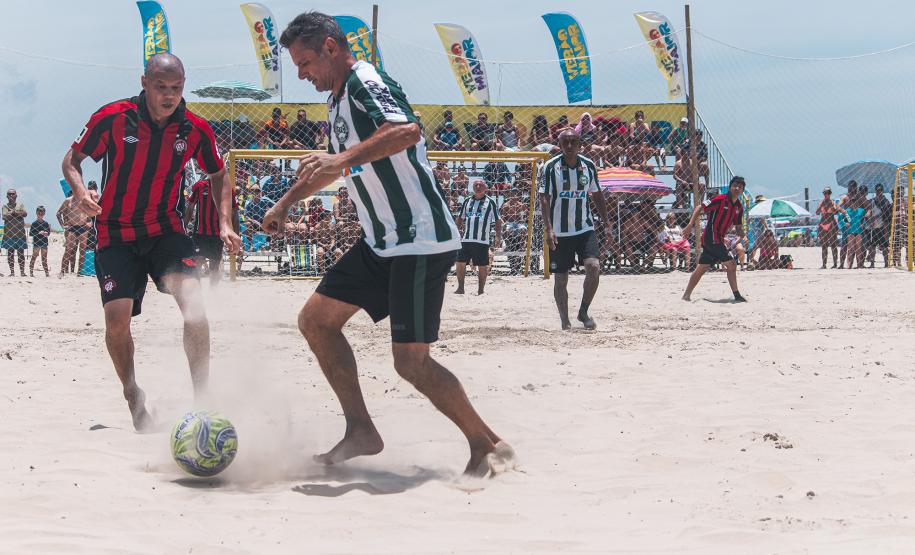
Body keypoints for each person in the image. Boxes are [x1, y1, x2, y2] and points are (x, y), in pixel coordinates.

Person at [263, 12, 512, 476]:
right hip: (381, 242)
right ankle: (361, 430)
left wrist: (338, 156)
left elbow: (405, 131)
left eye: (305, 62)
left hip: (419, 239)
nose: (300, 74)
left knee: (411, 363)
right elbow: (337, 167)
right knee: (316, 322)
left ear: (332, 48)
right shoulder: (337, 102)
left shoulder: (364, 80)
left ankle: (485, 442)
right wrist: (285, 203)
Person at [61, 53, 241, 431]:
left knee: (194, 306)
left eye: (176, 88)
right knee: (116, 322)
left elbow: (219, 174)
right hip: (115, 233)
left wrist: (225, 222)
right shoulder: (112, 117)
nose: (169, 96)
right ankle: (132, 394)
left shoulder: (194, 129)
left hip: (165, 230)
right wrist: (80, 193)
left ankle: (202, 401)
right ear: (145, 83)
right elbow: (72, 161)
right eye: (162, 87)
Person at [539, 129, 610, 330]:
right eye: (565, 142)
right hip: (559, 232)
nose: (569, 146)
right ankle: (565, 320)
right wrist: (549, 229)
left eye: (573, 142)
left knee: (594, 267)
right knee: (561, 278)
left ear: (580, 145)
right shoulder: (550, 167)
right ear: (559, 145)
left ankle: (583, 311)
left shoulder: (588, 166)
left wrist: (607, 223)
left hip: (584, 228)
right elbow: (544, 197)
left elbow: (597, 195)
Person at [681, 176, 748, 302]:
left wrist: (743, 236)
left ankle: (686, 296)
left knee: (701, 268)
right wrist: (690, 225)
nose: (737, 188)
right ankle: (737, 295)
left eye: (740, 186)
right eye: (735, 185)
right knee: (732, 264)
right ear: (730, 187)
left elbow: (738, 226)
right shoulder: (720, 199)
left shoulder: (739, 207)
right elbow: (699, 208)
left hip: (717, 239)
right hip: (711, 238)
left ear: (742, 190)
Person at [184, 177, 238, 284]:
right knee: (197, 261)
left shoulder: (226, 188)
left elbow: (234, 212)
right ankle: (196, 290)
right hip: (200, 233)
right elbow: (190, 207)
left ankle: (213, 293)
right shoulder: (199, 186)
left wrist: (235, 235)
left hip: (217, 234)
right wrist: (183, 226)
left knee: (214, 265)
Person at [455, 179, 502, 295]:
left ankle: (481, 290)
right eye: (475, 185)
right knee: (459, 262)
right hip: (466, 239)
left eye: (481, 185)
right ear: (472, 188)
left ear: (485, 188)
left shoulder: (490, 202)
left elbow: (498, 220)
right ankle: (460, 288)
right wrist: (455, 233)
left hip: (482, 240)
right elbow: (460, 218)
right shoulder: (467, 201)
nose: (478, 187)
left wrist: (498, 237)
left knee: (482, 265)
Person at [2, 189, 27, 276]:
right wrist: (17, 213)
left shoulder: (20, 205)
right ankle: (12, 272)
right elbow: (5, 217)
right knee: (10, 254)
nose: (11, 195)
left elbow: (24, 214)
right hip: (9, 235)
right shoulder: (5, 206)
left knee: (21, 254)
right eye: (9, 194)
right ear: (7, 196)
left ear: (16, 195)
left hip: (20, 234)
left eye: (13, 194)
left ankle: (22, 272)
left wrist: (13, 212)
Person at [866, 183, 892, 268]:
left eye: (880, 190)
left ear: (882, 191)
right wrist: (869, 218)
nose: (879, 192)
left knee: (885, 246)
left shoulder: (886, 201)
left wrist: (887, 228)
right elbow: (869, 211)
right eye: (877, 190)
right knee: (872, 246)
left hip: (883, 226)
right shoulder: (872, 201)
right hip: (874, 226)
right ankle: (872, 263)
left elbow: (888, 215)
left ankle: (886, 263)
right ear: (875, 191)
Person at [816, 187, 839, 268]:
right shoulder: (821, 203)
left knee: (833, 245)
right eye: (825, 193)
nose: (826, 194)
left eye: (828, 193)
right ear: (823, 194)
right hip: (823, 224)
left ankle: (835, 264)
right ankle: (824, 264)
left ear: (830, 193)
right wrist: (821, 205)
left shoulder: (832, 202)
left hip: (831, 223)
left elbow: (836, 212)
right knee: (824, 245)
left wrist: (833, 207)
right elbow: (817, 212)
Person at [29, 205, 51, 277]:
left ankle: (47, 274)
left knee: (44, 259)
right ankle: (31, 273)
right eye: (39, 213)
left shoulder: (46, 223)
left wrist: (46, 233)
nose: (40, 214)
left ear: (44, 214)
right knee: (34, 257)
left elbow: (49, 233)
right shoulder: (34, 223)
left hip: (44, 242)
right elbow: (31, 233)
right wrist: (38, 233)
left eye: (42, 213)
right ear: (36, 213)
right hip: (36, 243)